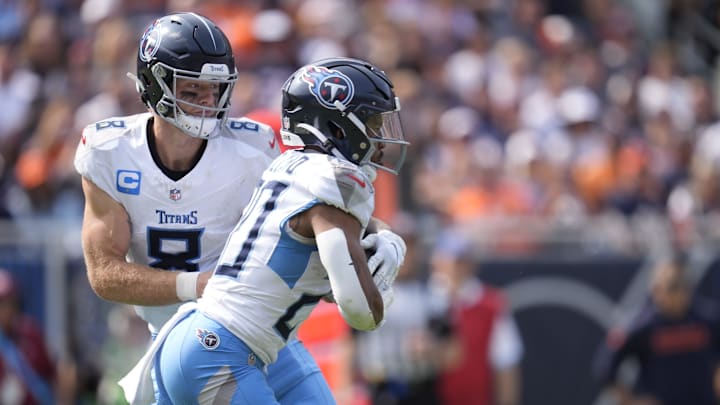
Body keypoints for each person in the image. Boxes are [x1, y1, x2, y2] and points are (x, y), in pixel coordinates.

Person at [74, 13, 406, 405]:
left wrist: (380, 233)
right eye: (193, 89)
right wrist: (198, 285)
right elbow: (104, 274)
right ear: (154, 84)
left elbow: (319, 207)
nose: (207, 102)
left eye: (215, 89)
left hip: (268, 340)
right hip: (190, 340)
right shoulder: (110, 150)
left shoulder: (251, 148)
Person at [595, 259, 720, 405]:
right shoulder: (641, 325)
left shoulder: (707, 319)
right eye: (673, 286)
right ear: (656, 290)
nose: (681, 292)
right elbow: (605, 367)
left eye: (685, 285)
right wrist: (631, 401)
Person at [429, 231, 523, 405]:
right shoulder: (426, 298)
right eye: (449, 261)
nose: (454, 268)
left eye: (460, 262)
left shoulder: (490, 305)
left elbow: (506, 364)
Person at [0, 268, 56, 405]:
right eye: (2, 303)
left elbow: (51, 373)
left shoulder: (30, 332)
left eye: (12, 303)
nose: (8, 309)